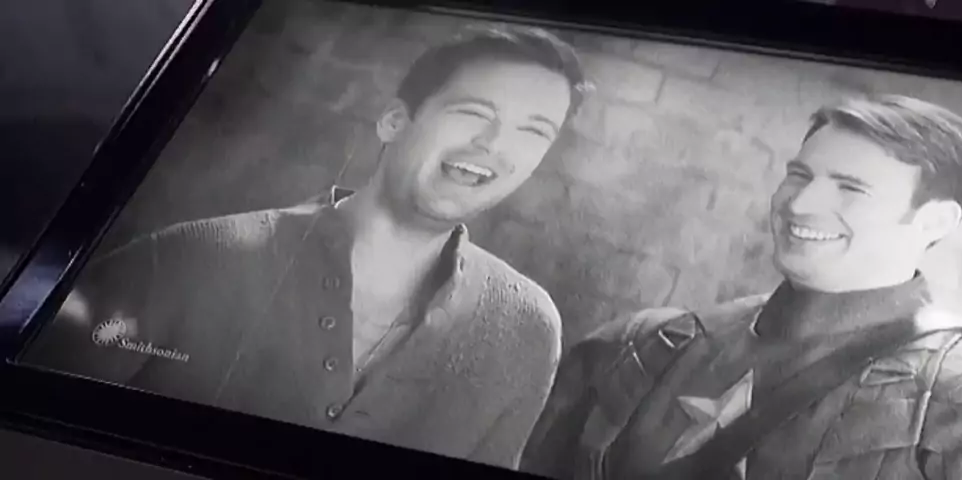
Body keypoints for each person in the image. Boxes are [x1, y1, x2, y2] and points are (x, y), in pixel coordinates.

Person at [23, 24, 589, 470]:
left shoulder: (529, 329)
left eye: (533, 131)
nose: (495, 145)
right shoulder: (188, 258)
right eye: (475, 113)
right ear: (395, 121)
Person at [519, 95, 962, 479]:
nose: (801, 204)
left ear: (934, 222)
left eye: (851, 188)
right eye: (799, 175)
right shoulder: (643, 348)